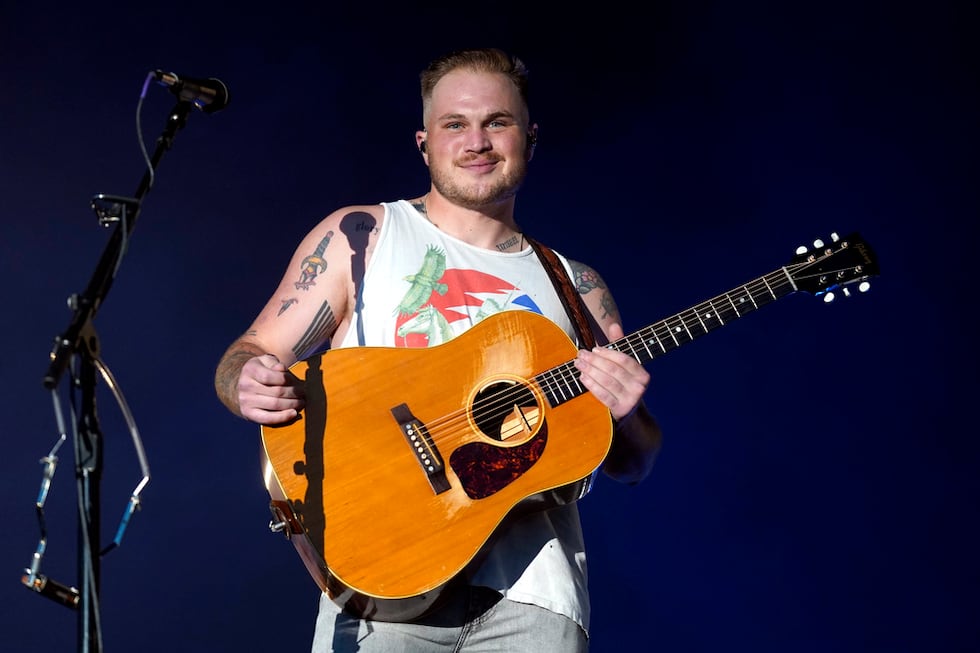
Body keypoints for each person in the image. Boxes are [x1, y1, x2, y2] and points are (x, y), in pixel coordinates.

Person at [214, 47, 662, 652]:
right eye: (455, 124)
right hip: (381, 579)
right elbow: (249, 352)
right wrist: (247, 382)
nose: (476, 141)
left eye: (496, 123)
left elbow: (633, 463)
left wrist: (627, 411)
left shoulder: (576, 288)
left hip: (535, 599)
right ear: (424, 143)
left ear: (529, 137)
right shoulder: (362, 237)